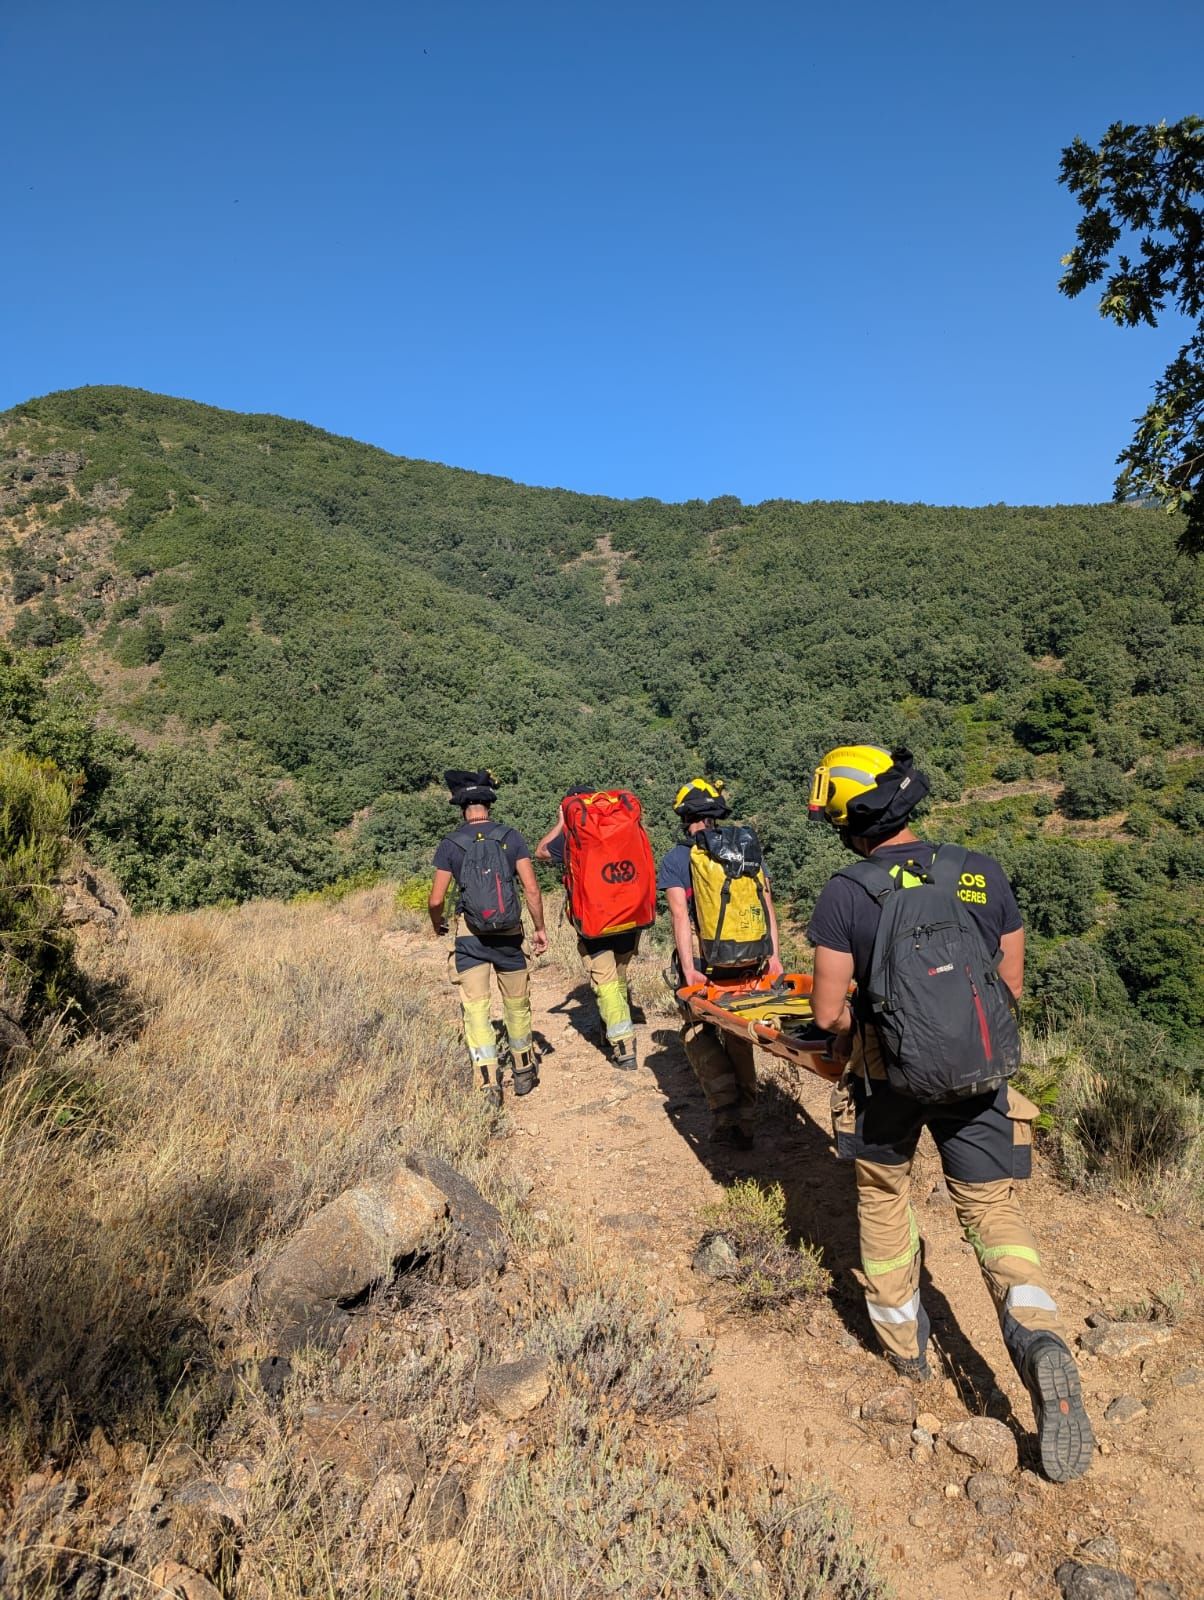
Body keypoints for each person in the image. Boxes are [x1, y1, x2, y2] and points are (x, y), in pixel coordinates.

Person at [807, 743, 1094, 1482]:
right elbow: (1012, 982)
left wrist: (879, 1032)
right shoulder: (980, 870)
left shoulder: (846, 893)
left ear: (850, 819)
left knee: (882, 1195)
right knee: (991, 1209)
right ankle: (1036, 1335)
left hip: (890, 1084)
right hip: (979, 1077)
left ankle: (906, 1347)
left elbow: (830, 1011)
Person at [657, 778, 783, 1149]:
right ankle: (746, 1118)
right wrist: (773, 958)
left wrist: (689, 968)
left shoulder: (677, 858)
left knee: (697, 1032)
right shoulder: (744, 849)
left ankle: (724, 1111)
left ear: (685, 817)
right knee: (738, 1036)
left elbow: (681, 917)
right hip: (748, 959)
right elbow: (766, 904)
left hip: (704, 962)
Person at [429, 769, 548, 1103]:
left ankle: (487, 1083)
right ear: (488, 805)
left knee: (477, 1008)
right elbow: (532, 890)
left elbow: (436, 899)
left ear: (462, 808)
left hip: (470, 938)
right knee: (516, 1003)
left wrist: (437, 925)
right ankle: (524, 1070)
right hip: (509, 934)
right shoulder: (512, 837)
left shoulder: (450, 844)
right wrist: (539, 929)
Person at [535, 788, 640, 1070]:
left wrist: (561, 822)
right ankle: (611, 1030)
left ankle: (624, 1046)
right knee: (619, 974)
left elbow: (541, 851)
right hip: (630, 913)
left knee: (604, 978)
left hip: (595, 920)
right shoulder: (622, 829)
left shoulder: (574, 836)